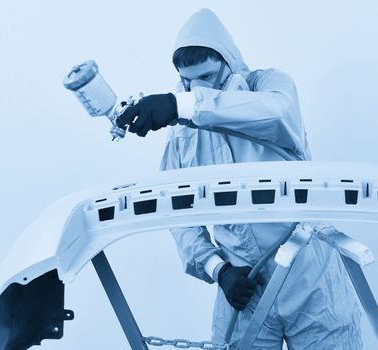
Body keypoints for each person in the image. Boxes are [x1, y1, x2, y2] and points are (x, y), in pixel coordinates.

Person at [116, 8, 362, 350]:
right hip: (243, 287)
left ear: (229, 62)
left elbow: (276, 113)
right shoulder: (183, 136)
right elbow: (177, 214)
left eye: (208, 76)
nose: (200, 87)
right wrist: (219, 269)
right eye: (190, 81)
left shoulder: (269, 87)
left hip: (311, 279)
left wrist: (183, 104)